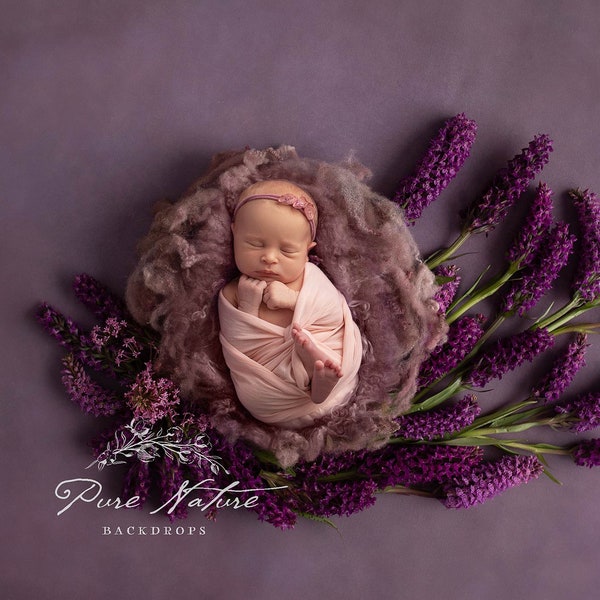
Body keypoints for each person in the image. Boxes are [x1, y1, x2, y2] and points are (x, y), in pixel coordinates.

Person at [218, 179, 363, 428]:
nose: (270, 258)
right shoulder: (232, 292)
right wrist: (248, 308)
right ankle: (315, 374)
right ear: (234, 233)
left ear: (308, 251)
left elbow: (333, 313)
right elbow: (238, 346)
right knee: (254, 391)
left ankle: (318, 374)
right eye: (255, 243)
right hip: (277, 399)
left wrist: (293, 300)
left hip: (335, 369)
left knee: (333, 347)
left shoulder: (309, 276)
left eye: (287, 251)